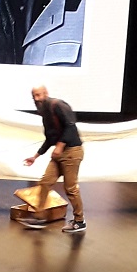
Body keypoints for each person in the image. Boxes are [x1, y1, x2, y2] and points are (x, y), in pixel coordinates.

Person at [22, 85, 86, 232]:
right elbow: (50, 139)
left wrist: (60, 146)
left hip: (72, 152)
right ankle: (39, 218)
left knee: (70, 188)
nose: (36, 99)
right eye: (34, 96)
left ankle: (79, 221)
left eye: (39, 95)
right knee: (45, 182)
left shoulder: (58, 105)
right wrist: (35, 156)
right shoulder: (45, 113)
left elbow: (70, 126)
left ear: (46, 93)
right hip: (60, 154)